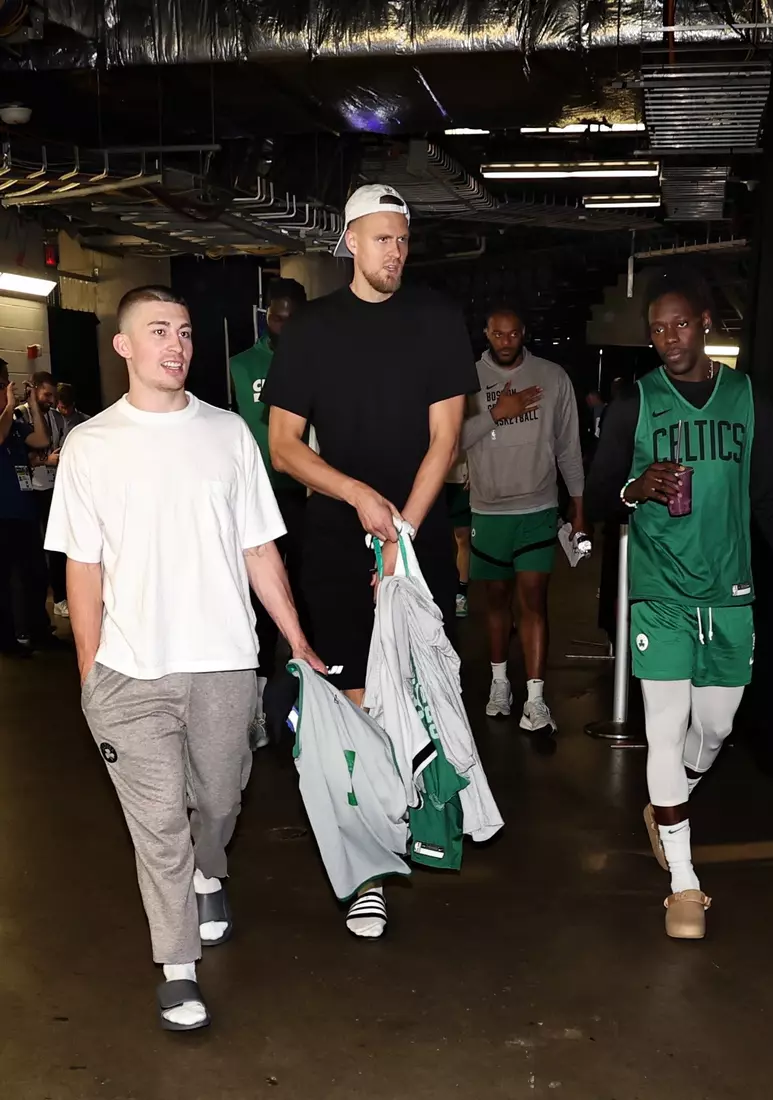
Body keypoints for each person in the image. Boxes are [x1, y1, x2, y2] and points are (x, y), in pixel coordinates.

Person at [45, 285, 323, 1032]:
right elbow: (83, 568)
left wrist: (293, 636)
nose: (177, 344)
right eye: (159, 330)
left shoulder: (230, 433)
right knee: (158, 822)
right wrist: (90, 674)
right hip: (130, 672)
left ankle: (211, 871)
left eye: (187, 332)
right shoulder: (90, 445)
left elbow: (259, 548)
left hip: (224, 662)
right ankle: (176, 968)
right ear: (124, 346)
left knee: (222, 799)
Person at [262, 183, 476, 937]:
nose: (395, 253)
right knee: (354, 698)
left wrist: (402, 536)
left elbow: (445, 441)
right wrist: (355, 494)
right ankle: (370, 870)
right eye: (381, 239)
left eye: (404, 240)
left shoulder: (437, 320)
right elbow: (284, 447)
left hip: (413, 538)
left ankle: (418, 817)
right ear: (349, 241)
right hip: (333, 538)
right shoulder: (313, 331)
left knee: (420, 689)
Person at [585, 266, 773, 940]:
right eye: (656, 329)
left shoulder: (746, 398)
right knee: (664, 724)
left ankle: (670, 800)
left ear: (706, 323)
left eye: (680, 324)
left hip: (731, 590)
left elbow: (770, 493)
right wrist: (636, 487)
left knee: (714, 727)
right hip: (661, 591)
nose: (668, 338)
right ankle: (684, 884)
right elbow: (600, 497)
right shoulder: (638, 401)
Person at [460, 307, 584, 735]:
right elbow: (449, 439)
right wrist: (499, 411)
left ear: (524, 333)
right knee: (496, 600)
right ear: (487, 333)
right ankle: (500, 686)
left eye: (513, 334)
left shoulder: (552, 377)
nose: (506, 341)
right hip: (488, 509)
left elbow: (569, 446)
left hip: (537, 506)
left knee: (533, 598)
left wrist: (578, 506)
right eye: (498, 334)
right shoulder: (466, 378)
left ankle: (535, 698)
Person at [230, 277, 309, 748]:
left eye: (292, 315)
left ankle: (308, 699)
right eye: (276, 315)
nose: (283, 323)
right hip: (258, 497)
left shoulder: (318, 359)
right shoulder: (242, 364)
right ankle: (258, 705)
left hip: (308, 496)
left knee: (305, 597)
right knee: (258, 601)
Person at [0, 359, 54, 656]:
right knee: (8, 583)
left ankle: (38, 630)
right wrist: (10, 404)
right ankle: (9, 639)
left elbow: (42, 438)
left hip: (25, 512)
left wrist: (32, 403)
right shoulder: (6, 421)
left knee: (35, 574)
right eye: (2, 384)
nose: (8, 388)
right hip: (3, 516)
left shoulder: (18, 426)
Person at [445, 454, 471, 618]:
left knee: (462, 537)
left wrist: (475, 467)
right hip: (433, 478)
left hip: (459, 479)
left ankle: (461, 594)